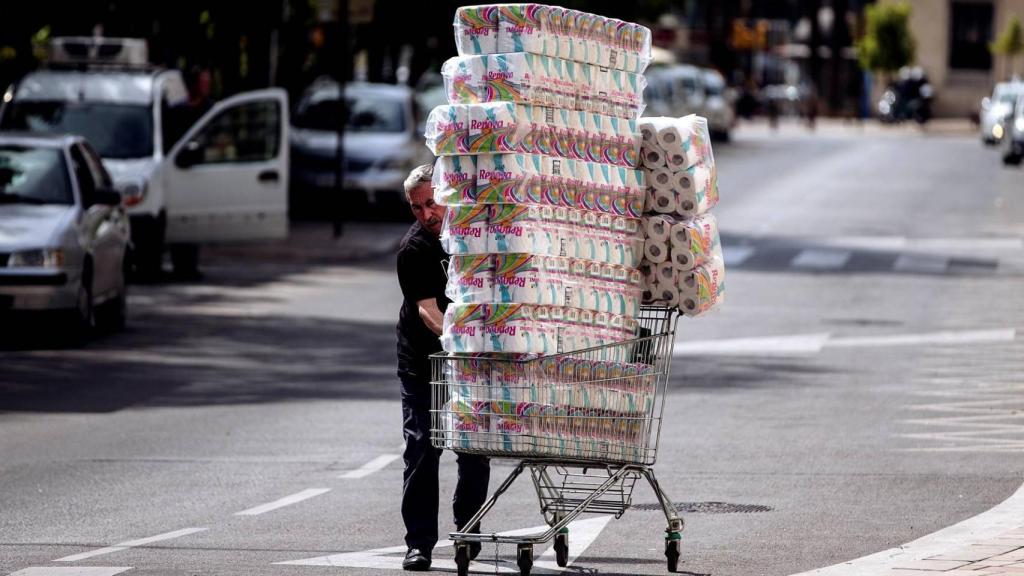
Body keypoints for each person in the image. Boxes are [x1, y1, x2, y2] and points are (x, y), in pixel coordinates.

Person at [396, 164, 490, 571]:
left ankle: (467, 532)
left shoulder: (471, 235)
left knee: (472, 450)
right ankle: (419, 544)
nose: (426, 214)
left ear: (447, 196)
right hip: (424, 362)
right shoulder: (414, 249)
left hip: (468, 363)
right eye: (417, 208)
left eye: (432, 203)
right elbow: (428, 312)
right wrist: (460, 343)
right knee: (422, 448)